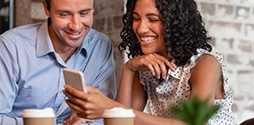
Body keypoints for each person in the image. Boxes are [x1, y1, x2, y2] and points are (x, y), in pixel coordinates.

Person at [63, 0, 237, 124]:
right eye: (136, 18)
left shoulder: (204, 64)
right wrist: (129, 69)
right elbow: (120, 124)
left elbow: (192, 124)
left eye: (153, 19)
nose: (141, 28)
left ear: (176, 23)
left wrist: (108, 106)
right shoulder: (146, 69)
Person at [0, 0, 117, 124]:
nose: (76, 26)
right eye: (64, 14)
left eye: (84, 13)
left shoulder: (101, 46)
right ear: (46, 8)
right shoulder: (11, 47)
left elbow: (102, 118)